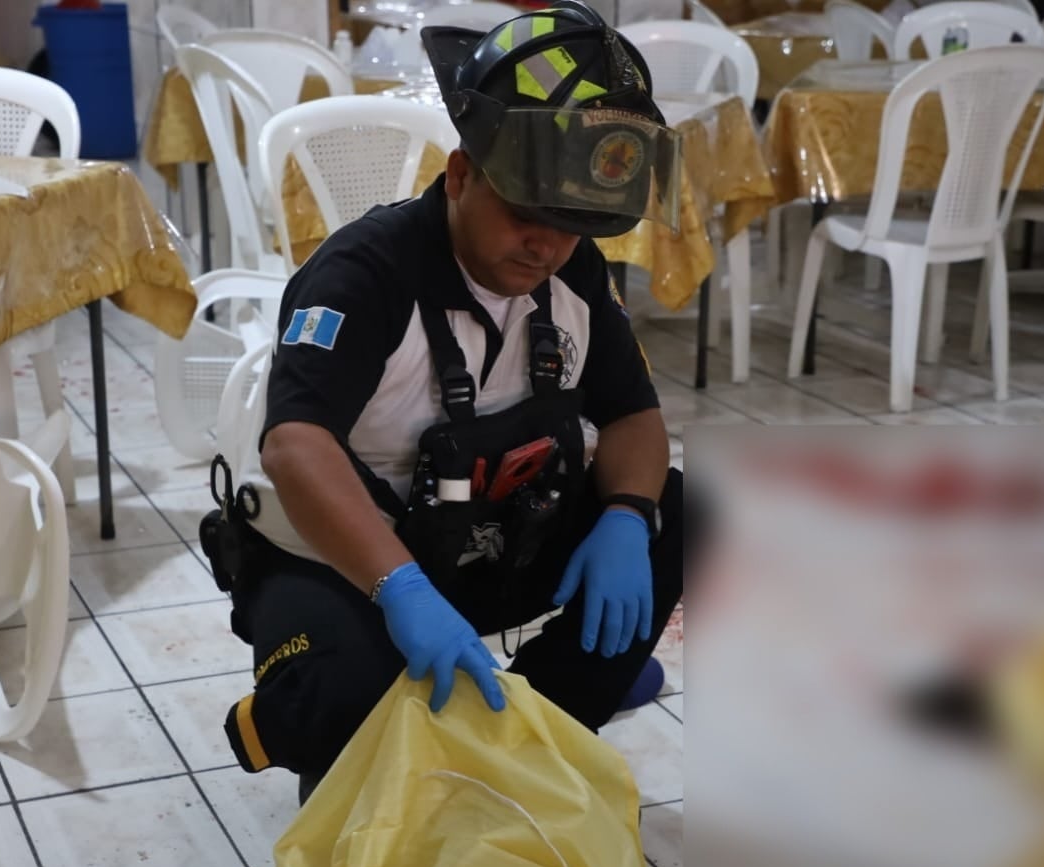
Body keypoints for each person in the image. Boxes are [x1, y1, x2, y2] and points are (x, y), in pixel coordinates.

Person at [199, 0, 688, 804]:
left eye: (568, 226)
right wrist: (401, 590)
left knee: (681, 509)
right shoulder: (365, 273)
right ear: (460, 175)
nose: (544, 246)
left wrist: (628, 519)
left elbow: (632, 413)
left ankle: (543, 718)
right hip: (345, 556)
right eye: (523, 215)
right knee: (340, 694)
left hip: (486, 534)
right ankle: (315, 712)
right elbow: (294, 444)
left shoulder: (571, 270)